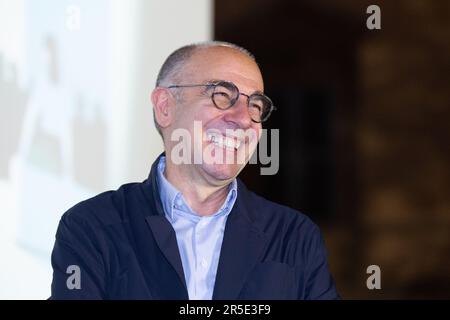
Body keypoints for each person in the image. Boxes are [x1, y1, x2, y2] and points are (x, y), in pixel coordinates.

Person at [50, 41, 339, 299]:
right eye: (222, 95)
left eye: (256, 105)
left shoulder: (293, 237)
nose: (242, 119)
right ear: (165, 106)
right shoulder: (91, 228)